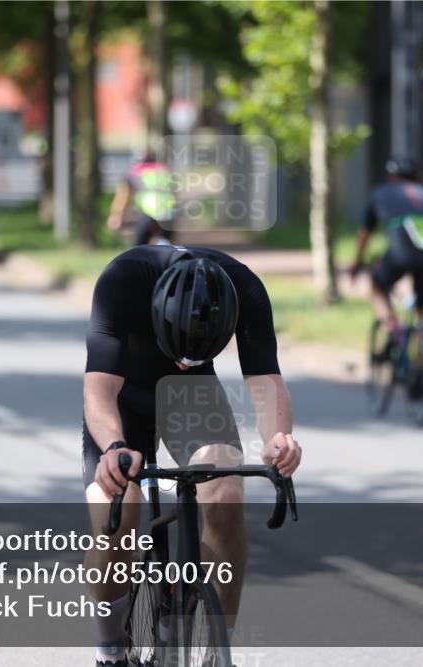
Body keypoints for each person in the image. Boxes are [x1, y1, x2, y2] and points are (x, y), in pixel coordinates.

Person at [82, 244, 302, 666]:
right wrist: (113, 447)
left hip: (193, 399)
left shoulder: (245, 290)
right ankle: (110, 650)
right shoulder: (122, 282)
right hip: (124, 398)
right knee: (118, 513)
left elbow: (265, 379)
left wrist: (279, 438)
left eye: (197, 354)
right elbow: (99, 389)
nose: (183, 363)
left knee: (225, 491)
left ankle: (219, 650)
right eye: (178, 352)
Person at [349, 156, 423, 357]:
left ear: (392, 176)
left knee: (377, 285)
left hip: (401, 252)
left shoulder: (381, 193)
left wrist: (358, 262)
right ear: (418, 177)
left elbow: (365, 233)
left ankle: (395, 332)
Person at [106, 151, 177, 245]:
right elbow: (175, 193)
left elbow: (123, 198)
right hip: (169, 214)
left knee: (139, 248)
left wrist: (117, 216)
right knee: (165, 245)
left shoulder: (135, 173)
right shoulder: (164, 171)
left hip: (149, 212)